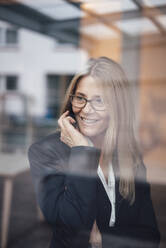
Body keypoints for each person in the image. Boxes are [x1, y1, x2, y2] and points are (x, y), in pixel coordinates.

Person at [28, 57, 160, 248]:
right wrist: (82, 152)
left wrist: (104, 239)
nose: (86, 110)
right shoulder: (45, 152)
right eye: (81, 98)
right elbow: (71, 230)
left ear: (117, 107)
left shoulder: (129, 155)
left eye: (100, 100)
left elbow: (150, 236)